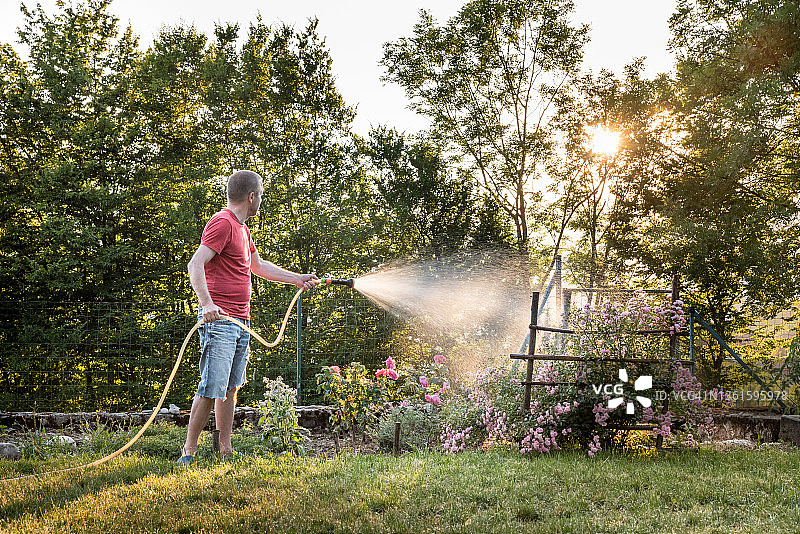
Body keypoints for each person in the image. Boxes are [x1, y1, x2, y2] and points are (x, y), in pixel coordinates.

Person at [178, 170, 318, 463]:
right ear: (252, 196)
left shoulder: (242, 229)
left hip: (241, 322)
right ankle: (188, 452)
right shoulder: (223, 223)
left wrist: (297, 278)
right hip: (220, 322)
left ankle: (225, 449)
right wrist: (206, 304)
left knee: (229, 388)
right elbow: (195, 264)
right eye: (261, 195)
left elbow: (257, 264)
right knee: (210, 386)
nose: (261, 201)